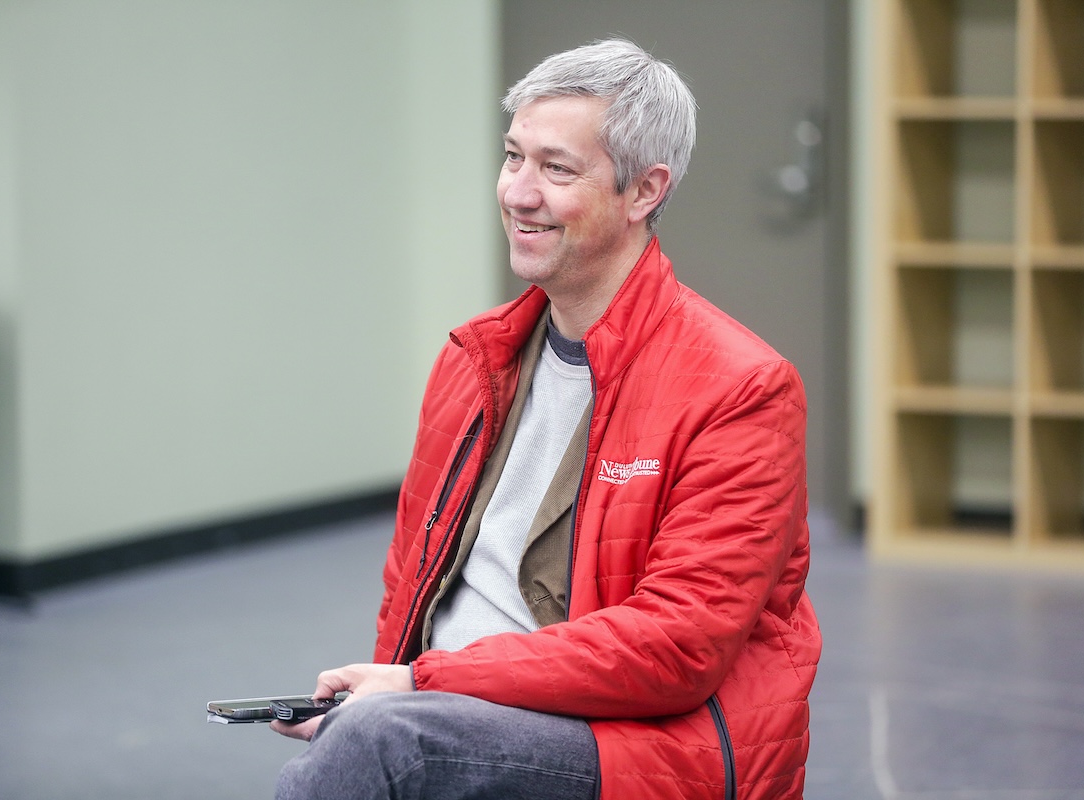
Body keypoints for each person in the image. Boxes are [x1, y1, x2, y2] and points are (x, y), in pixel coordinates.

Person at [271, 38, 820, 800]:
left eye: (557, 169)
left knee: (384, 745)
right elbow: (412, 580)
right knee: (368, 739)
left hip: (623, 740)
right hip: (453, 707)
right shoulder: (474, 360)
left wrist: (419, 686)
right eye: (513, 158)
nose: (519, 193)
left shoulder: (742, 389)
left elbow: (674, 646)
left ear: (644, 192)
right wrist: (387, 686)